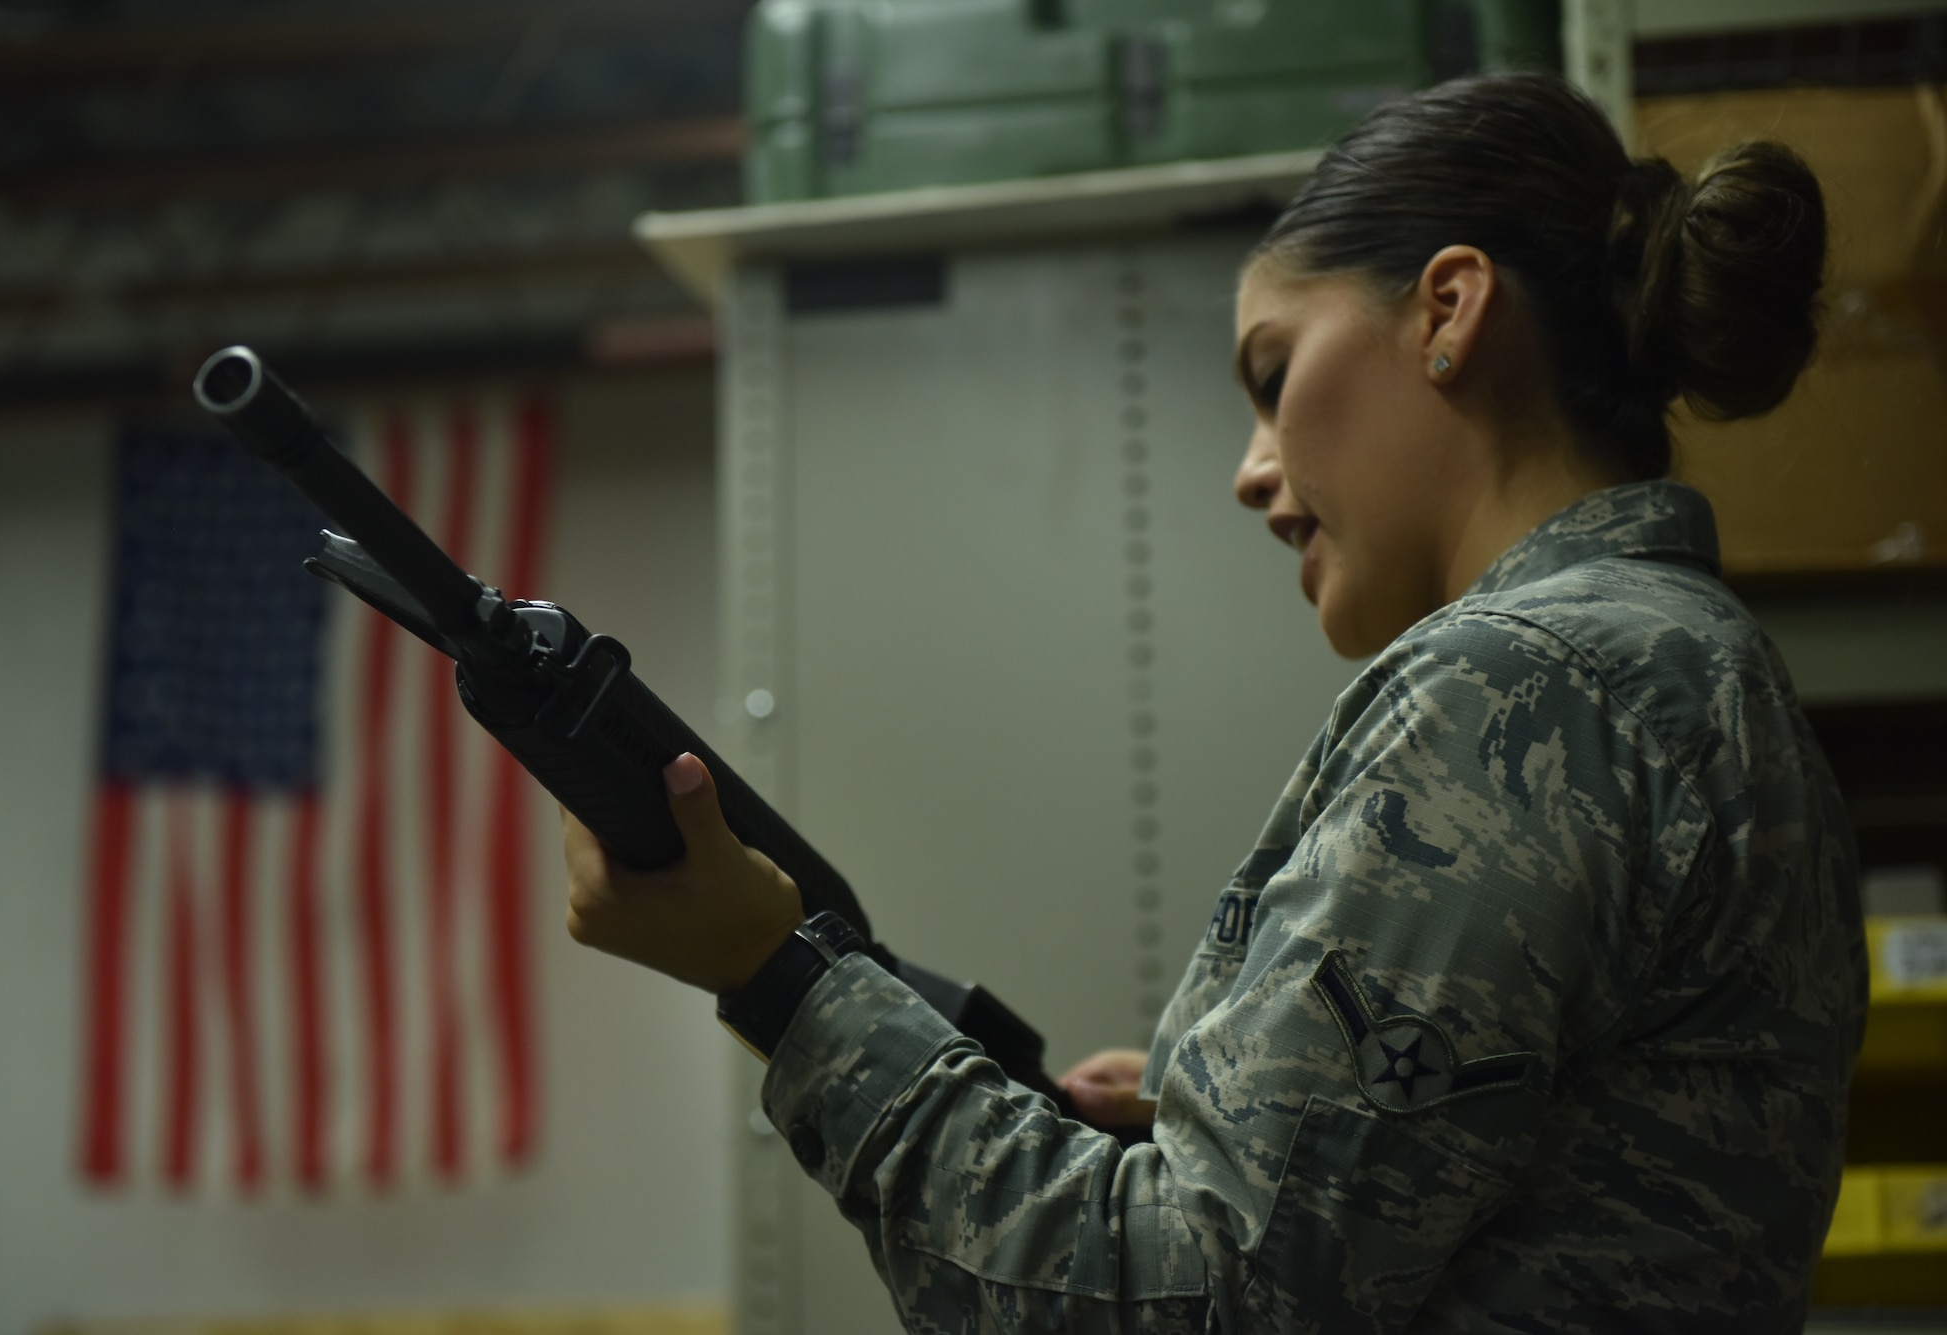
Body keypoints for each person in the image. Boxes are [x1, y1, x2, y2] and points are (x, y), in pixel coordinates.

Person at [562, 72, 1866, 1331]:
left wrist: (782, 983)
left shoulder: (1521, 685)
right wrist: (1219, 1107)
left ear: (1450, 312)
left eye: (1272, 373)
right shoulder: (1689, 666)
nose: (1251, 473)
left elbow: (1185, 1307)